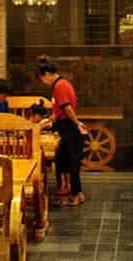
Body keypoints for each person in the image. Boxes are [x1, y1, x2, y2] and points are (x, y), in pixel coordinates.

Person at [36, 56, 87, 206]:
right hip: (64, 128)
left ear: (47, 74)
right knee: (64, 161)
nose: (43, 82)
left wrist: (77, 124)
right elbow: (57, 110)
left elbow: (67, 108)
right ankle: (72, 194)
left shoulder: (60, 85)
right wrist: (47, 122)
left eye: (42, 79)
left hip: (70, 128)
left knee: (72, 165)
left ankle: (76, 195)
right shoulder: (60, 85)